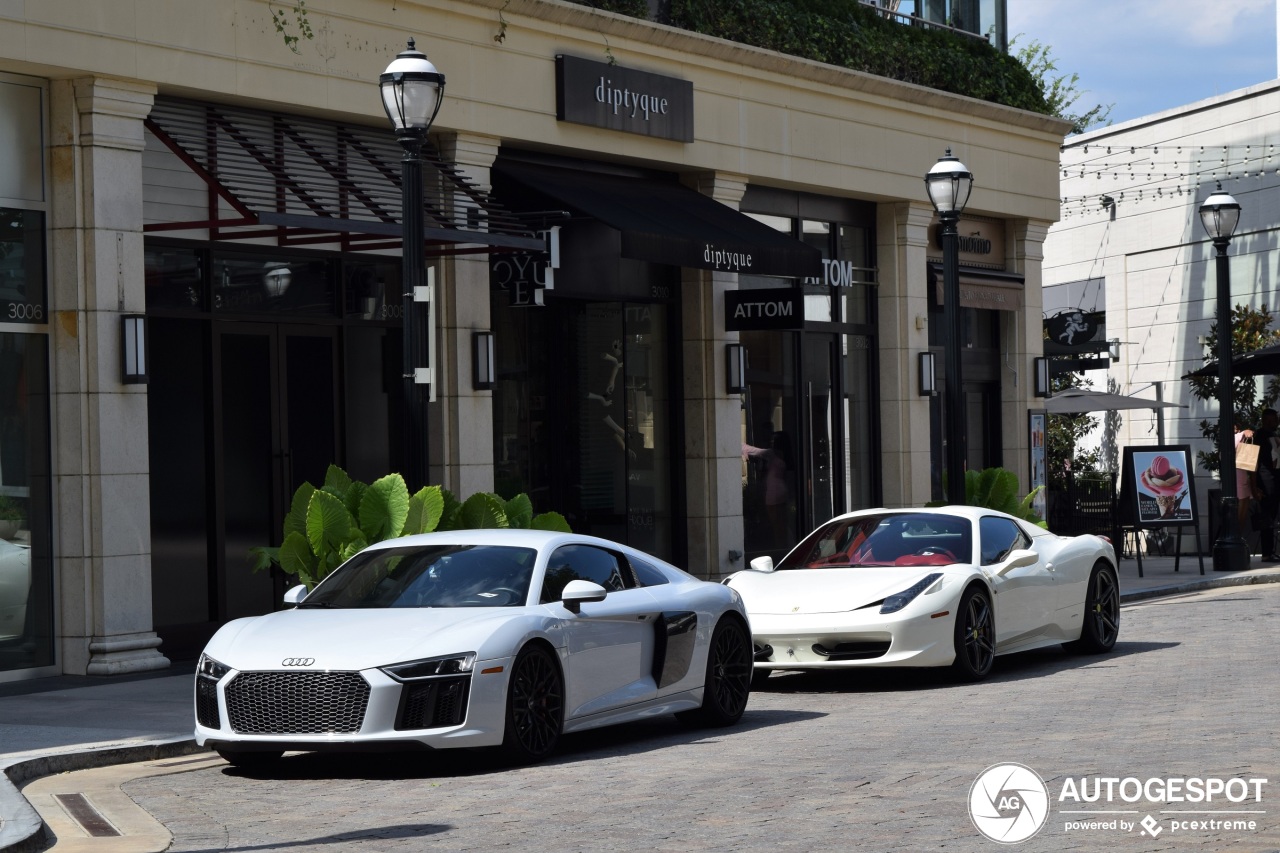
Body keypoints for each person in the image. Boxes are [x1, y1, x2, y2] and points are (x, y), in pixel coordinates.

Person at [1253, 409, 1280, 561]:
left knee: (1273, 515)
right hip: (1265, 481)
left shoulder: (1274, 435)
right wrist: (1254, 486)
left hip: (1275, 480)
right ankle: (1267, 553)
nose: (1277, 422)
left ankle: (1270, 551)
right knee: (1267, 516)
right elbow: (1252, 462)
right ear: (1267, 420)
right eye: (1274, 419)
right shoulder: (1259, 436)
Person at [1235, 424, 1260, 542]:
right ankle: (1237, 537)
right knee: (1240, 509)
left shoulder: (1239, 439)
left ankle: (1238, 537)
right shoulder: (1232, 439)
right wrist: (1243, 432)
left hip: (1243, 478)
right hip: (1237, 480)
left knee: (1244, 508)